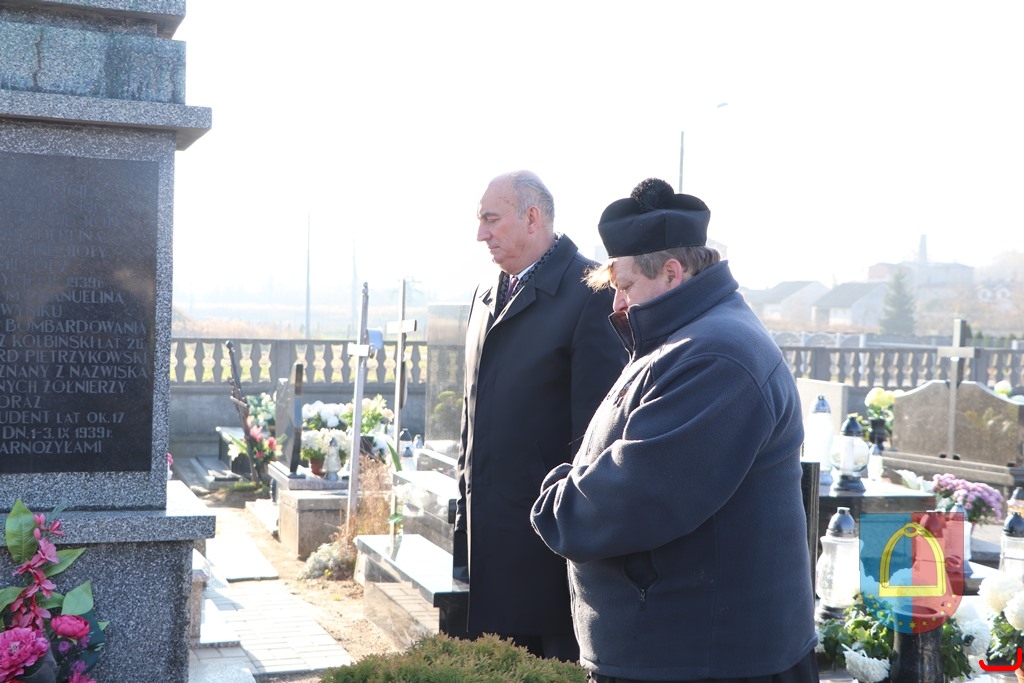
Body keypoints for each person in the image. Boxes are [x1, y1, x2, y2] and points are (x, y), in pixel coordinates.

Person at [531, 178, 818, 682]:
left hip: (707, 664)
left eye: (624, 286)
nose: (616, 305)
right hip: (681, 654)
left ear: (671, 272)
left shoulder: (717, 356)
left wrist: (557, 499)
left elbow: (638, 498)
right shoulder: (688, 339)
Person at [454, 170, 627, 661]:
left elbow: (595, 438)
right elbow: (472, 417)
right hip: (486, 546)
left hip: (544, 555)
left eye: (492, 220)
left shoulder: (590, 293)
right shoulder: (485, 292)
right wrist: (464, 518)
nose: (481, 234)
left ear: (532, 218)